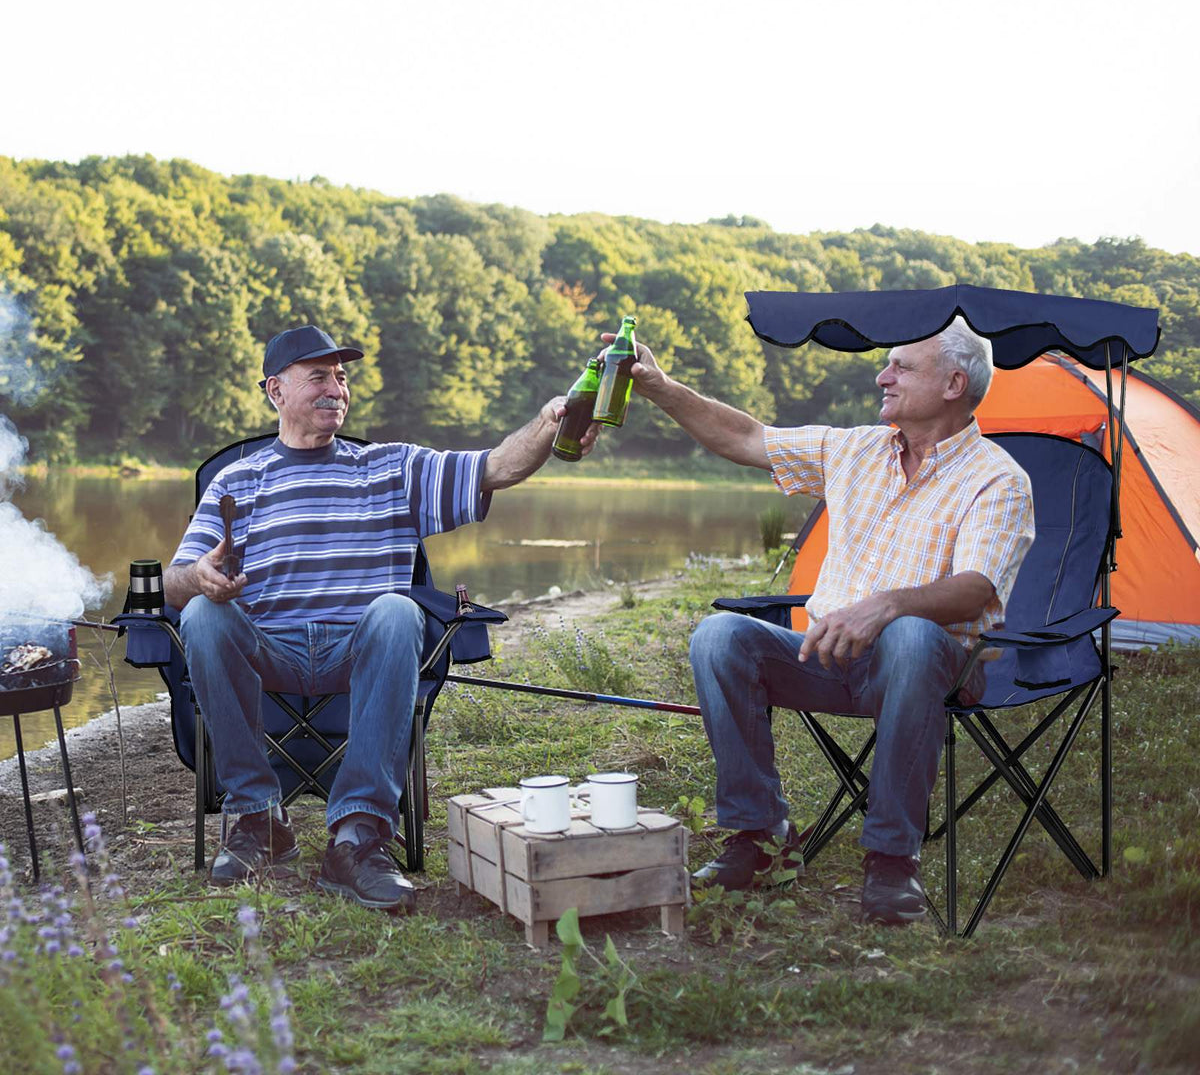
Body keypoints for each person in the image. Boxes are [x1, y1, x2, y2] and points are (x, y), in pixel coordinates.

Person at [605, 317, 1034, 924]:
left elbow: (976, 589)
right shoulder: (855, 448)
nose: (881, 375)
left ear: (953, 383)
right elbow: (746, 438)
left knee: (910, 634)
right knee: (720, 636)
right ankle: (759, 838)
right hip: (827, 659)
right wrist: (661, 387)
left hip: (927, 668)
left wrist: (886, 606)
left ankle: (891, 860)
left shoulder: (997, 479)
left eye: (901, 366)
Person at [164, 325, 599, 912]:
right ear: (276, 392)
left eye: (341, 377)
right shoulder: (236, 481)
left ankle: (357, 837)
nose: (335, 388)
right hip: (269, 648)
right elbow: (173, 582)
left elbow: (495, 468)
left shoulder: (391, 468)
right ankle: (258, 816)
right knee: (202, 619)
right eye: (318, 376)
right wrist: (200, 579)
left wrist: (550, 423)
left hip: (360, 650)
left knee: (398, 609)